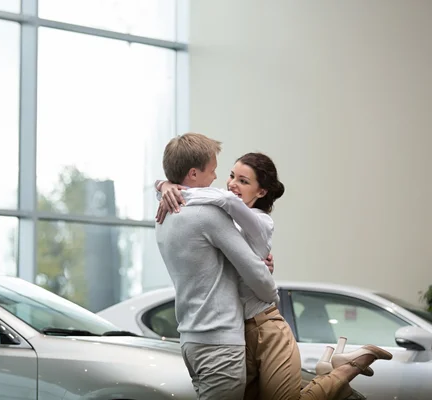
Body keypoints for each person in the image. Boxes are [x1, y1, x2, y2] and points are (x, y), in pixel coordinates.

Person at [155, 151, 393, 399]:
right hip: (235, 332)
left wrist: (173, 189)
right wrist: (165, 185)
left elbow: (225, 202)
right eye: (231, 175)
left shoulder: (258, 221)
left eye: (243, 181)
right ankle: (332, 381)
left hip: (265, 326)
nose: (232, 184)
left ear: (261, 192)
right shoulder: (220, 214)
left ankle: (343, 371)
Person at [155, 133, 280, 399]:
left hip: (190, 339)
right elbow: (254, 270)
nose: (216, 179)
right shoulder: (208, 215)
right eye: (212, 171)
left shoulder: (164, 213)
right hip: (219, 342)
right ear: (192, 174)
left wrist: (163, 185)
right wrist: (271, 291)